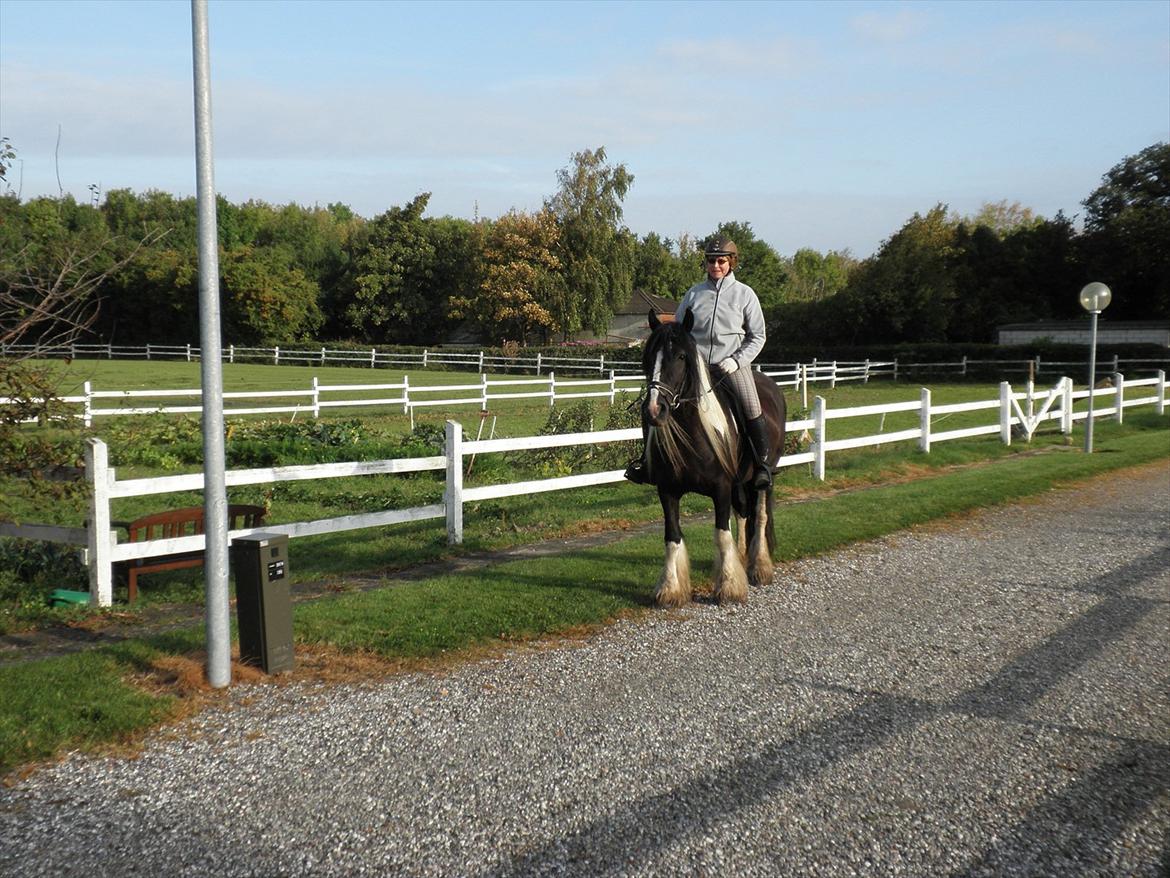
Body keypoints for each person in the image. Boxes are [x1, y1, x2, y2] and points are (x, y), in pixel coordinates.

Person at [625, 237, 773, 488]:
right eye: (711, 261)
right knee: (653, 403)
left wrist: (737, 361)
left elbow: (758, 336)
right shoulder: (694, 293)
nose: (715, 266)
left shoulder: (745, 294)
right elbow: (678, 330)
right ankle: (647, 462)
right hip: (697, 368)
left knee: (751, 406)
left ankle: (762, 465)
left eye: (721, 261)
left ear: (731, 262)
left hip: (731, 366)